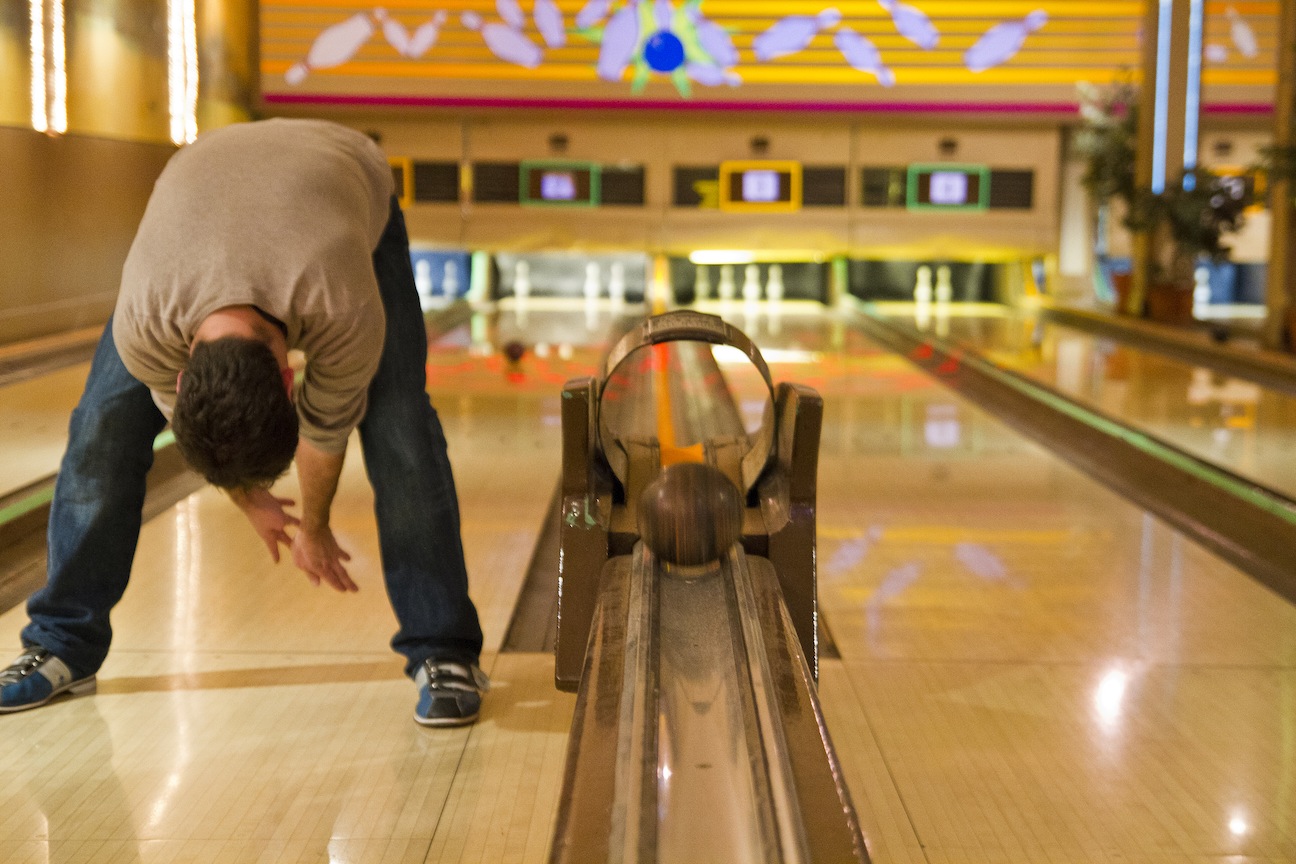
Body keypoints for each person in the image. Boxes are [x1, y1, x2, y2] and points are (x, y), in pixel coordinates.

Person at [0, 119, 487, 726]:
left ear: (290, 379)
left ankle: (444, 648)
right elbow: (207, 431)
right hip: (200, 184)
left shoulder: (339, 302)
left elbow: (325, 432)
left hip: (347, 175)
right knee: (102, 430)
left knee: (400, 426)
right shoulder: (148, 325)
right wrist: (249, 497)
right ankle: (60, 642)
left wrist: (314, 525)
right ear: (180, 375)